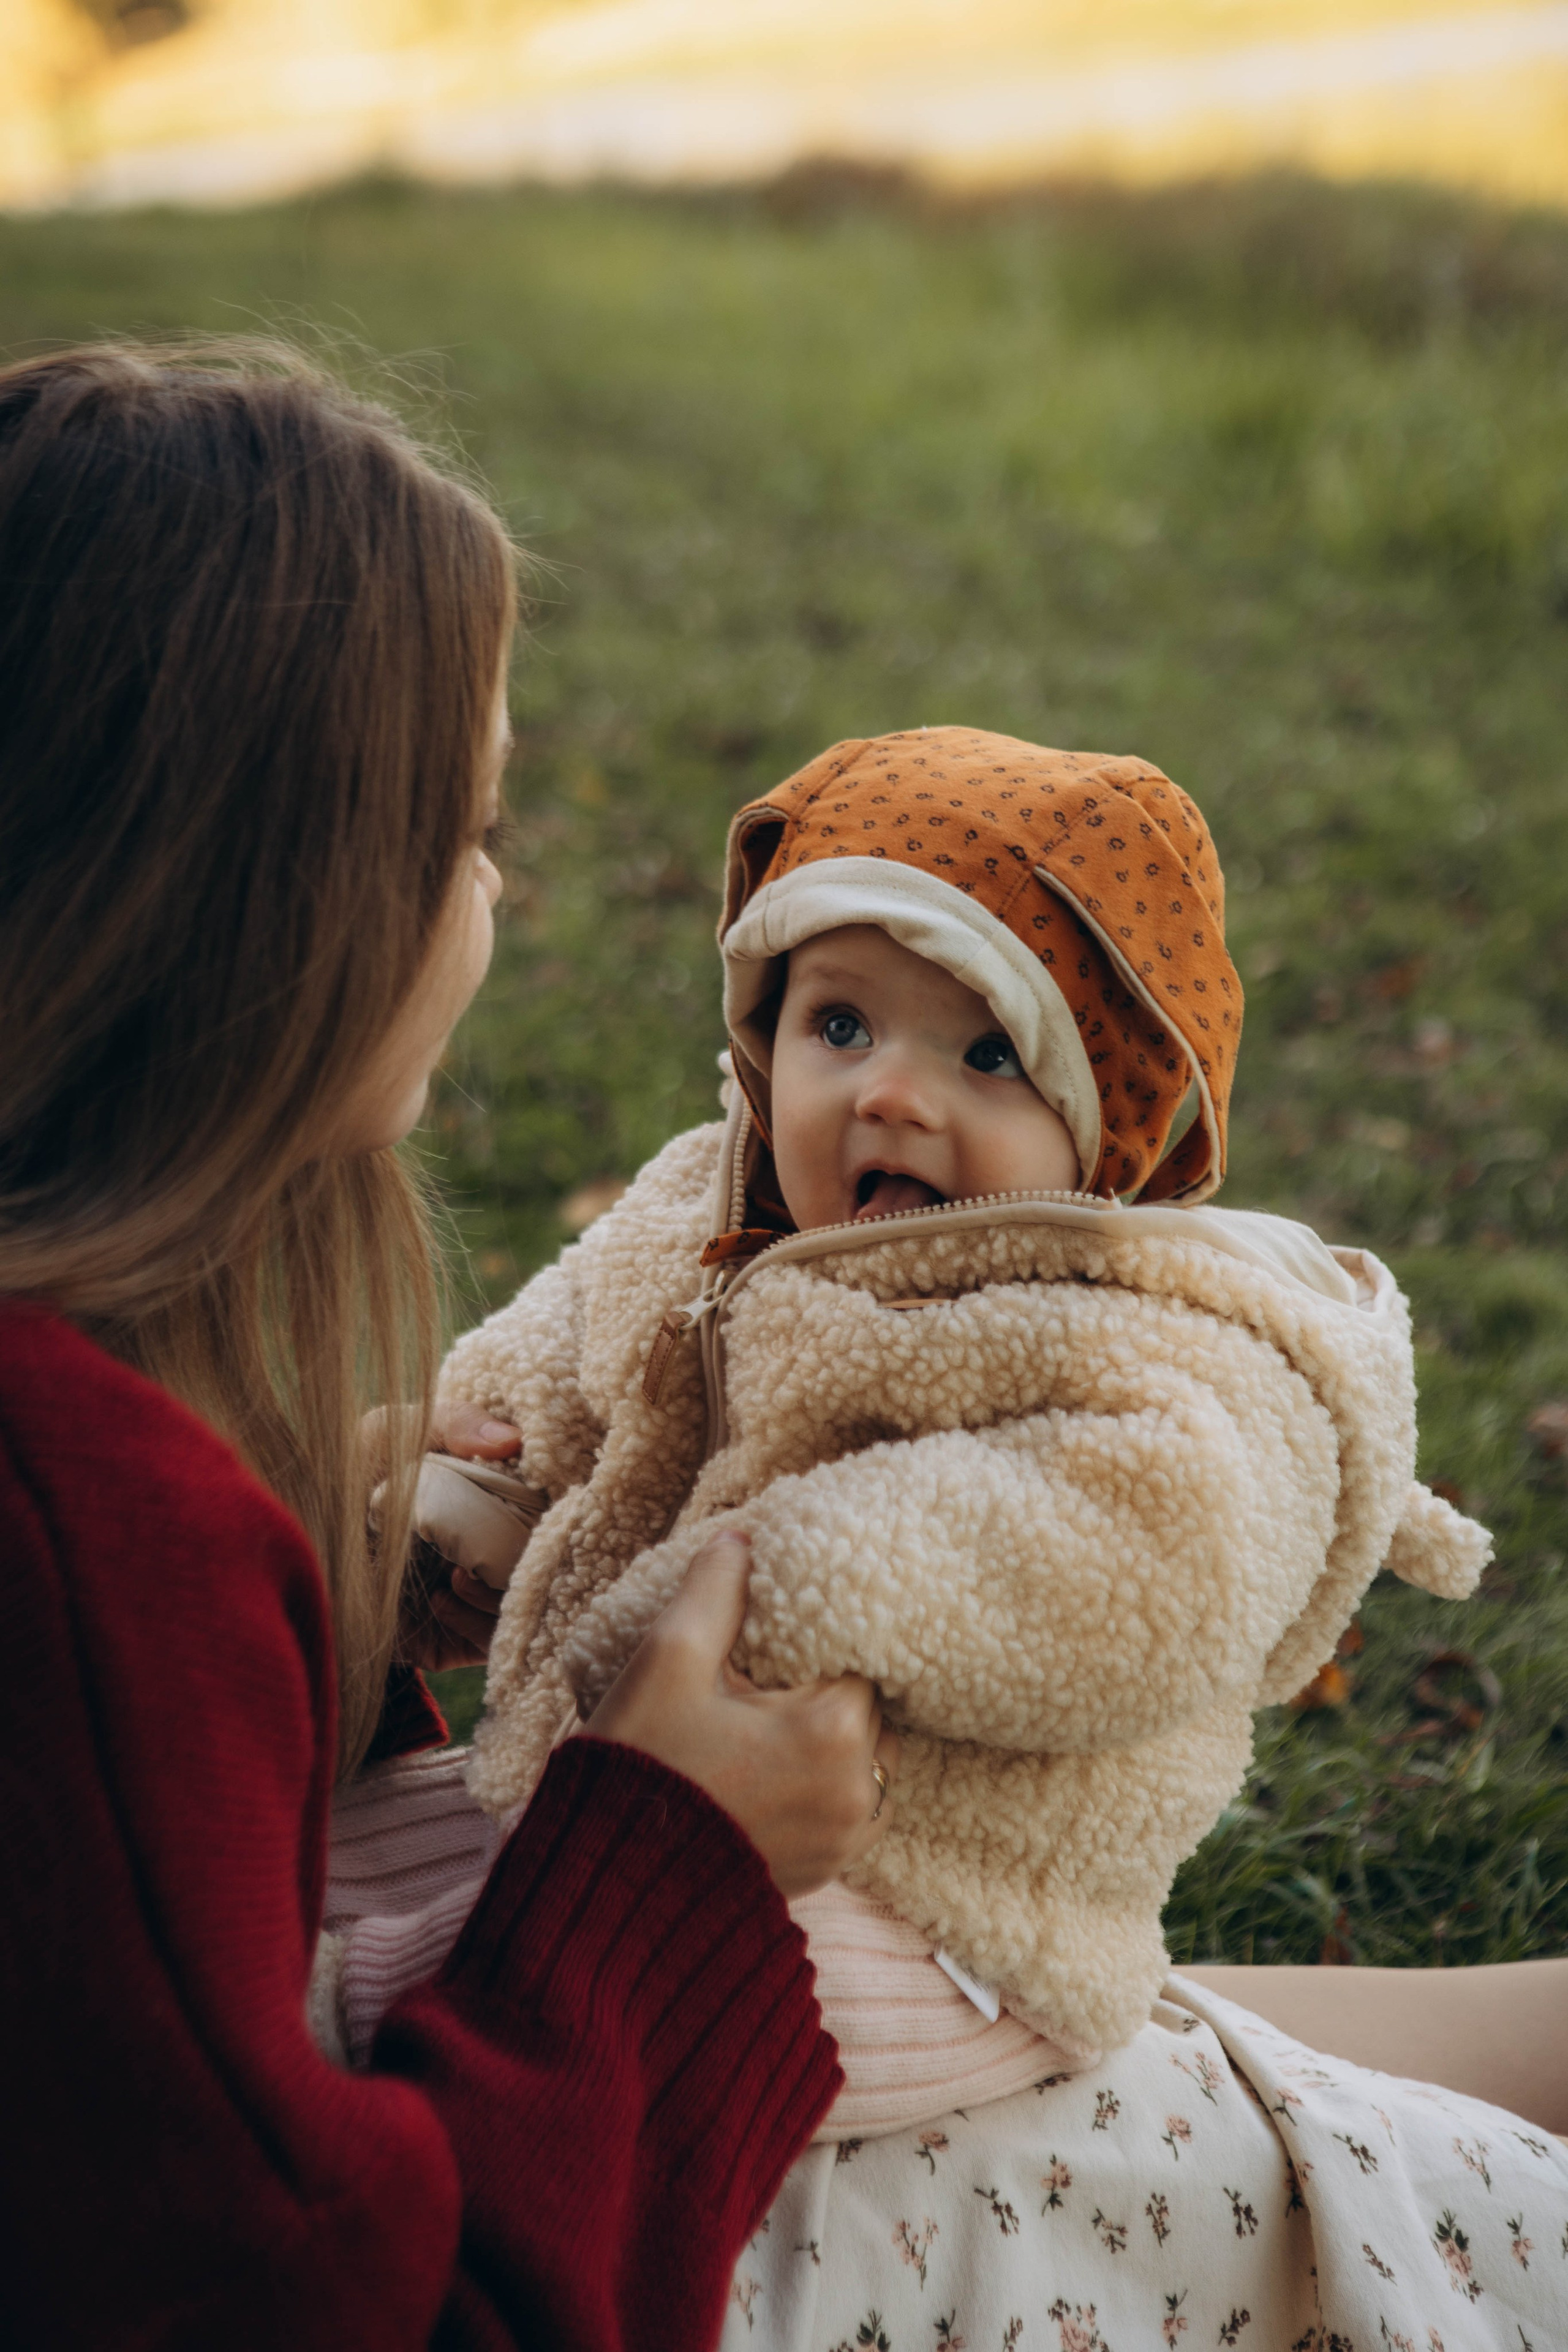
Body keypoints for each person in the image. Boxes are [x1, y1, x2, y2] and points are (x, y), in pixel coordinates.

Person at [406, 728, 1564, 2346]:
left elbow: (1141, 1560)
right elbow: (567, 1354)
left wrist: (767, 1591)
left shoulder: (1142, 1345)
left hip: (949, 1900)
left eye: (987, 1058)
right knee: (514, 1906)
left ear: (1111, 1130)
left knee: (649, 2001)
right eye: (838, 1023)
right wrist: (476, 1485)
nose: (887, 1088)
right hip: (695, 1792)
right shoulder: (710, 1209)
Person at [0, 341, 899, 2352]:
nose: (490, 897)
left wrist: (322, 1592)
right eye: (470, 834)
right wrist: (676, 1861)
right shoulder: (78, 1531)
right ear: (273, 903)